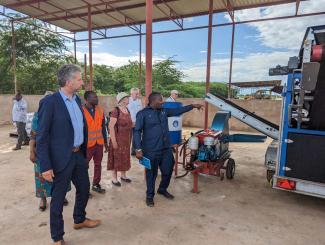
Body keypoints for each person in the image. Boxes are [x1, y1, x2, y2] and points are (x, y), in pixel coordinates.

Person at [37, 64, 100, 245]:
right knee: (57, 199)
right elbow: (42, 137)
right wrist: (46, 166)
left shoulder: (77, 100)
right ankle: (57, 237)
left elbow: (79, 126)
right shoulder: (50, 103)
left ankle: (79, 219)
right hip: (60, 159)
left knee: (84, 188)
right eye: (79, 79)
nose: (82, 82)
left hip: (78, 155)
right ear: (68, 81)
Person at [134, 92, 203, 207]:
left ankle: (162, 189)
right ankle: (149, 196)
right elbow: (136, 131)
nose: (163, 102)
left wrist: (193, 106)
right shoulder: (142, 114)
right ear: (153, 101)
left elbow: (178, 111)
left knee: (168, 169)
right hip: (151, 150)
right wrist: (138, 149)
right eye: (161, 100)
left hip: (165, 148)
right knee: (151, 174)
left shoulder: (164, 111)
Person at [29, 91, 70, 211]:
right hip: (42, 151)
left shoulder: (62, 114)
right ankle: (43, 199)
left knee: (60, 174)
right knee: (41, 176)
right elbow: (33, 135)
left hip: (59, 151)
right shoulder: (38, 116)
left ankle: (61, 196)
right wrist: (31, 152)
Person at [83, 91, 108, 194]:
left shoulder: (100, 110)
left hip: (99, 143)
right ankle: (84, 188)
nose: (97, 99)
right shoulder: (81, 111)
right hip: (86, 145)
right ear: (87, 99)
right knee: (84, 166)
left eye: (96, 97)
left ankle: (96, 184)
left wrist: (106, 142)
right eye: (94, 97)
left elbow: (103, 128)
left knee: (98, 164)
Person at [107, 92, 133, 187]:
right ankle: (114, 178)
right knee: (116, 157)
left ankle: (123, 175)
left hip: (126, 139)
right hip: (117, 139)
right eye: (127, 97)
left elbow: (129, 123)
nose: (128, 98)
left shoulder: (127, 110)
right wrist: (113, 141)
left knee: (125, 157)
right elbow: (111, 126)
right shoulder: (116, 111)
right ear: (122, 100)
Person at [127, 88, 143, 155]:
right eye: (136, 93)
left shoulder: (139, 101)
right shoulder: (127, 100)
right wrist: (130, 121)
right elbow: (126, 112)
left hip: (137, 123)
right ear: (131, 93)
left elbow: (141, 112)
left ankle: (133, 151)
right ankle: (126, 151)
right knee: (128, 137)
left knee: (136, 137)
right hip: (129, 122)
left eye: (137, 93)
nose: (137, 95)